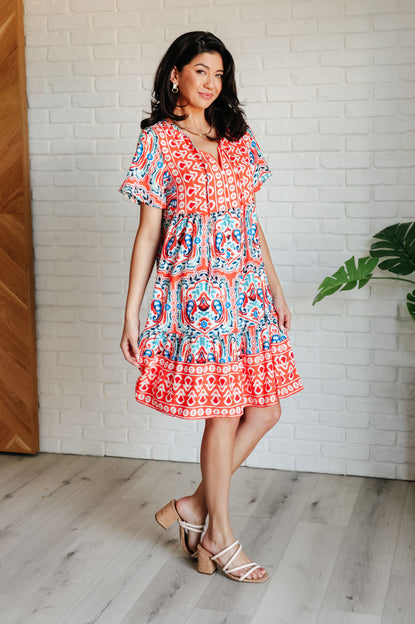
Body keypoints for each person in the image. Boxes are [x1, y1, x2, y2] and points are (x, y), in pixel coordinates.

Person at [119, 31, 303, 583]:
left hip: (246, 292)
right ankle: (219, 536)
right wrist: (131, 312)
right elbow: (148, 233)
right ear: (175, 73)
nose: (211, 83)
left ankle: (192, 508)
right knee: (223, 412)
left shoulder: (237, 136)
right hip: (197, 298)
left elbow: (250, 220)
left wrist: (275, 287)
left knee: (265, 410)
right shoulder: (157, 140)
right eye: (201, 70)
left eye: (219, 74)